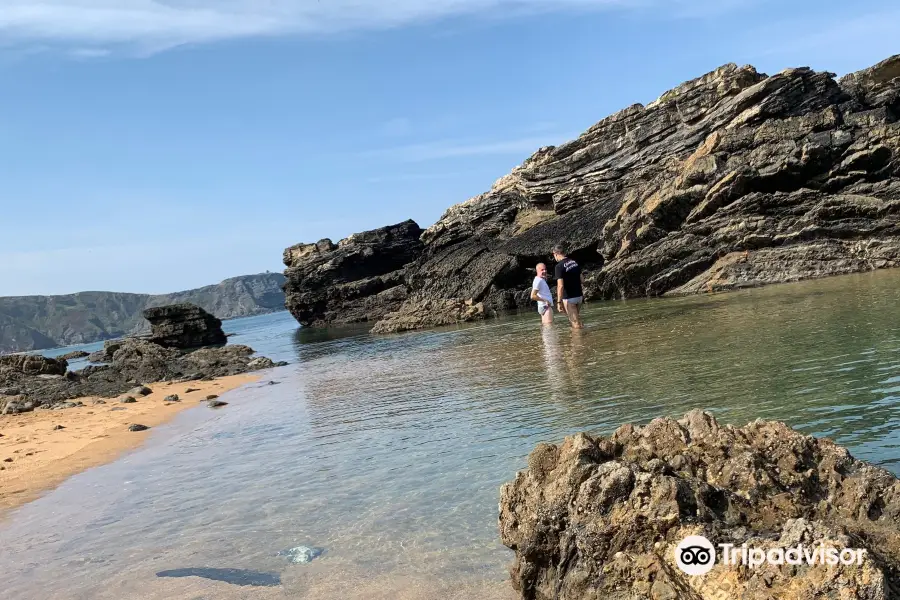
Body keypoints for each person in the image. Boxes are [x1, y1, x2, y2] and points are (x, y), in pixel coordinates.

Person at [551, 244, 584, 329]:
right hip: (579, 296)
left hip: (569, 298)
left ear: (555, 253)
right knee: (577, 320)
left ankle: (578, 341)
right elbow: (582, 280)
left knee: (575, 324)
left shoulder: (558, 267)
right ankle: (581, 339)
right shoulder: (574, 262)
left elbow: (560, 286)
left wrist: (558, 302)